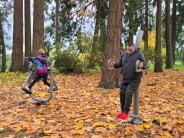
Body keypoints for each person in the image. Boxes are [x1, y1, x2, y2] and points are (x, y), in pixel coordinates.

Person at [113, 41, 146, 120]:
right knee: (122, 94)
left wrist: (141, 65)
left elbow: (144, 64)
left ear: (134, 48)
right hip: (125, 78)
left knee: (128, 93)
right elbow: (119, 63)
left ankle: (125, 113)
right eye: (128, 50)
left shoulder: (139, 53)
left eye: (131, 50)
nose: (129, 51)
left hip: (135, 79)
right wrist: (114, 64)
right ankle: (122, 112)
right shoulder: (124, 54)